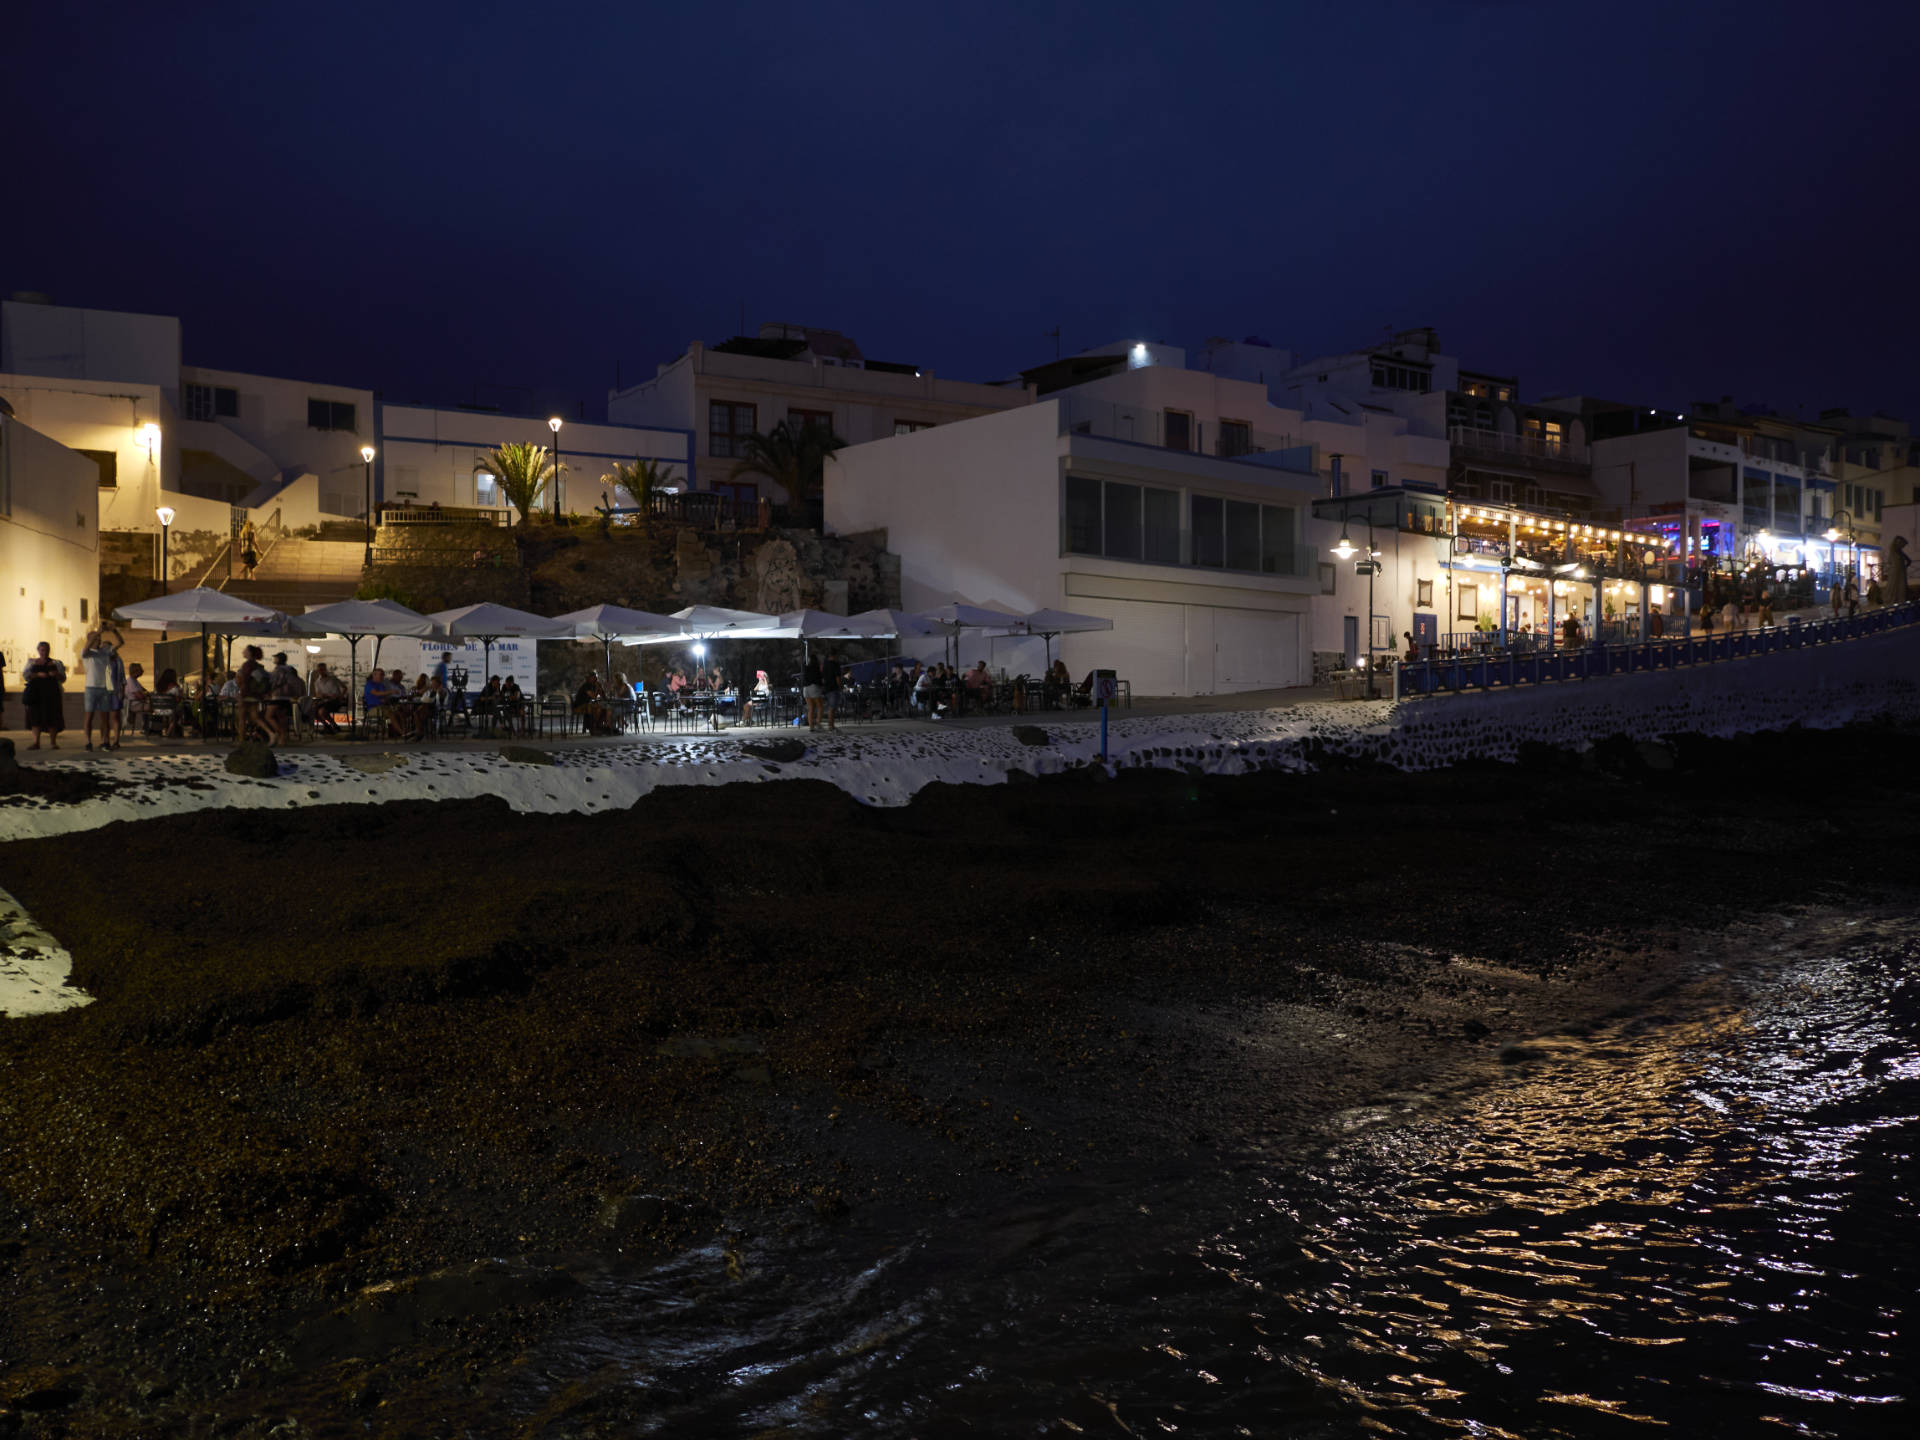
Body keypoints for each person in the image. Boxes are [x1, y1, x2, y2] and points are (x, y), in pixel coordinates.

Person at [79, 625, 122, 751]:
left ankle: (105, 741)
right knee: (89, 716)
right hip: (91, 688)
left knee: (105, 717)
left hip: (104, 688)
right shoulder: (87, 653)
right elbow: (87, 646)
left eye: (99, 638)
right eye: (95, 639)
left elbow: (121, 643)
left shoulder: (105, 652)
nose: (98, 640)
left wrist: (114, 630)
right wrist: (97, 632)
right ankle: (88, 742)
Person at [21, 641, 67, 749]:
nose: (44, 652)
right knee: (35, 717)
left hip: (52, 694)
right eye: (42, 650)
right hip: (35, 693)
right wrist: (37, 674)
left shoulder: (56, 663)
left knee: (53, 717)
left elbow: (63, 678)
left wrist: (56, 675)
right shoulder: (32, 662)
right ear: (38, 650)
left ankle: (53, 742)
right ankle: (36, 742)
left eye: (46, 650)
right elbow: (26, 675)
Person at [308, 663, 347, 732]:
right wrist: (322, 695)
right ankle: (327, 725)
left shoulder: (333, 678)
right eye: (320, 670)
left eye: (323, 669)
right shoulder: (317, 682)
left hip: (335, 701)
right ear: (318, 671)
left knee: (321, 711)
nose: (322, 671)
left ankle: (334, 725)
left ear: (325, 670)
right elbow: (318, 694)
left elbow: (344, 687)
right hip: (325, 701)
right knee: (312, 710)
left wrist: (341, 696)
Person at [121, 661, 149, 739]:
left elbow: (144, 691)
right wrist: (145, 695)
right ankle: (149, 728)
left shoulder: (135, 681)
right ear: (136, 671)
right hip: (134, 704)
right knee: (153, 707)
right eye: (140, 670)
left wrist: (145, 694)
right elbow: (139, 695)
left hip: (138, 703)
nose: (142, 672)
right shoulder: (130, 681)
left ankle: (149, 728)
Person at [820, 650, 843, 731]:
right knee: (832, 708)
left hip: (826, 688)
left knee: (831, 707)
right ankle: (831, 726)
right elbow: (837, 677)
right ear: (834, 655)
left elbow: (822, 677)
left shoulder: (824, 665)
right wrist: (840, 686)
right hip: (833, 687)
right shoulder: (835, 665)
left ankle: (831, 725)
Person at [802, 652, 824, 730]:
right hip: (814, 687)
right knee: (820, 706)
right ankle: (818, 723)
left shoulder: (806, 667)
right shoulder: (816, 667)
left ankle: (811, 726)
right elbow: (819, 678)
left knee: (811, 708)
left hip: (805, 688)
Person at [1888, 535, 1910, 605]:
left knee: (1901, 587)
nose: (1903, 546)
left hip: (1899, 571)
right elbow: (1909, 561)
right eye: (1902, 544)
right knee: (1894, 586)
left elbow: (1909, 561)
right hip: (1895, 572)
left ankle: (1900, 600)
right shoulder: (1893, 550)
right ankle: (1896, 600)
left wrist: (1904, 566)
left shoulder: (1899, 551)